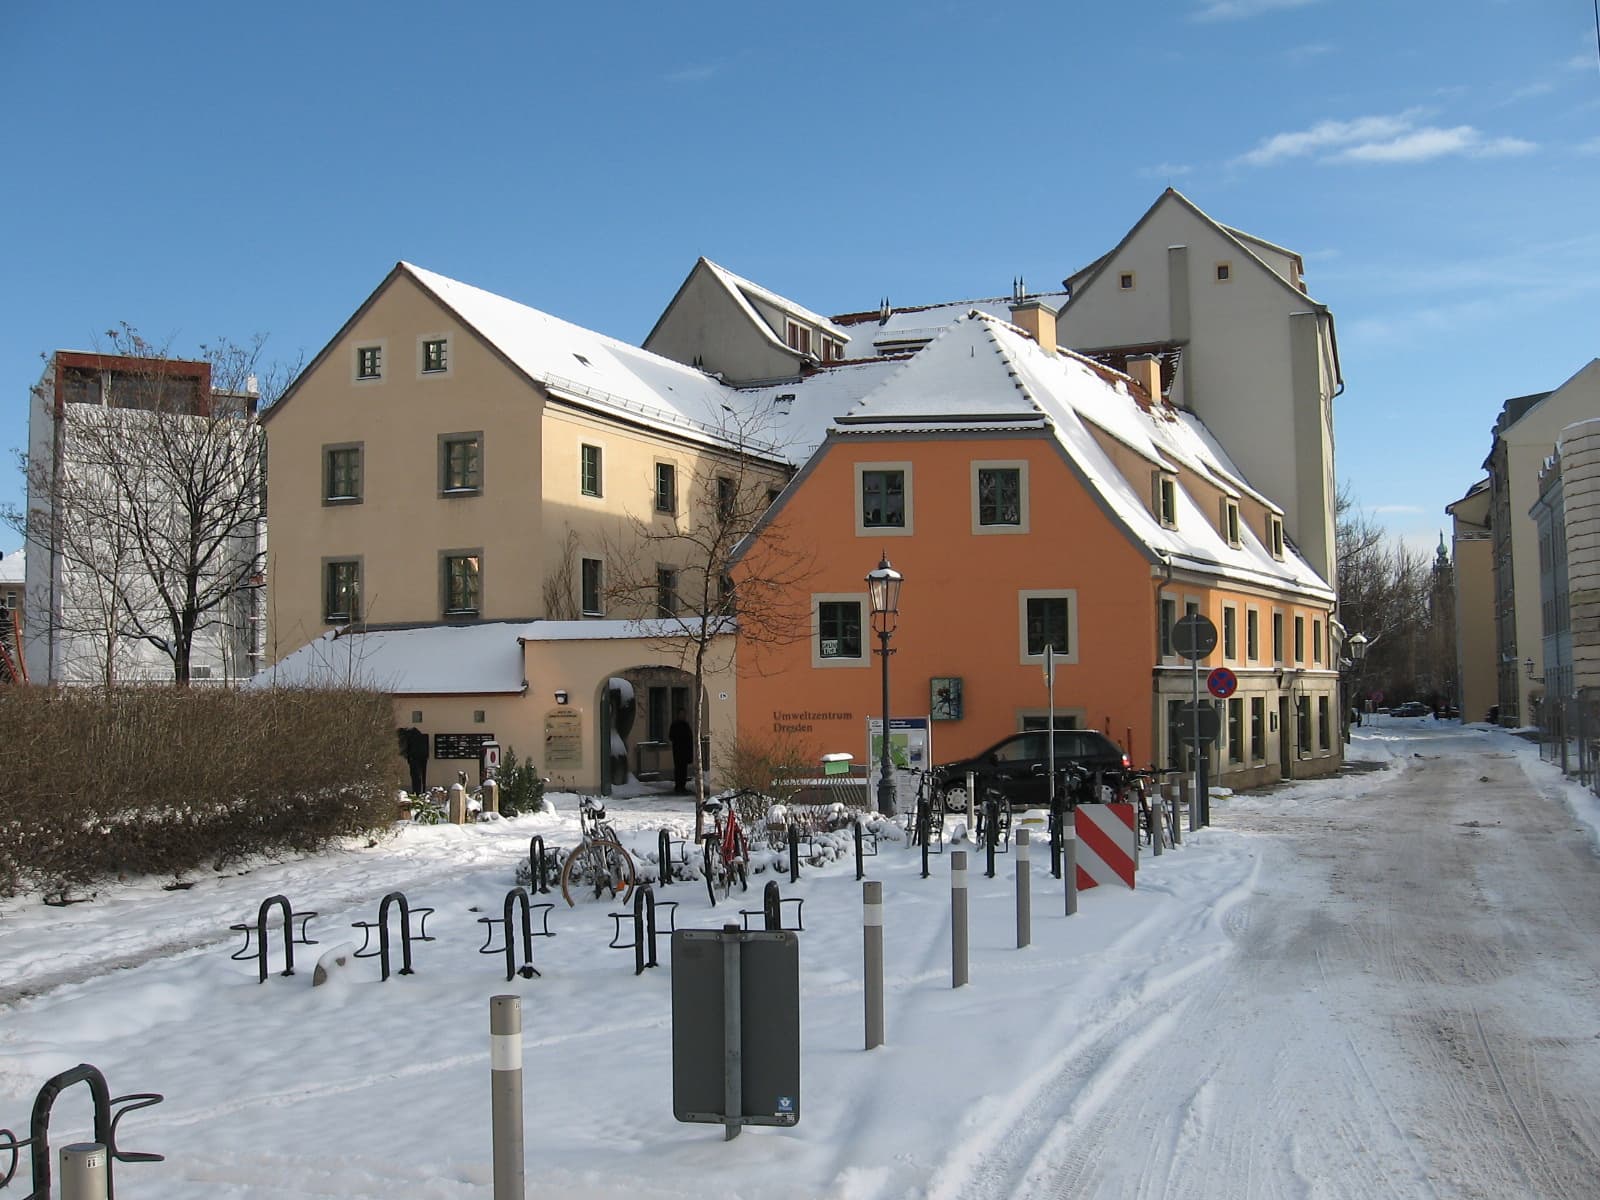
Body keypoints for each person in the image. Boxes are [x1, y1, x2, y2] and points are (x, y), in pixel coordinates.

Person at [668, 708, 694, 794]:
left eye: (684, 714)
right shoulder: (675, 725)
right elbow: (671, 736)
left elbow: (690, 738)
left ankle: (682, 786)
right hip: (678, 751)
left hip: (685, 751)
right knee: (678, 769)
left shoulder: (686, 725)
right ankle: (678, 786)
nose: (683, 716)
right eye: (681, 714)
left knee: (684, 770)